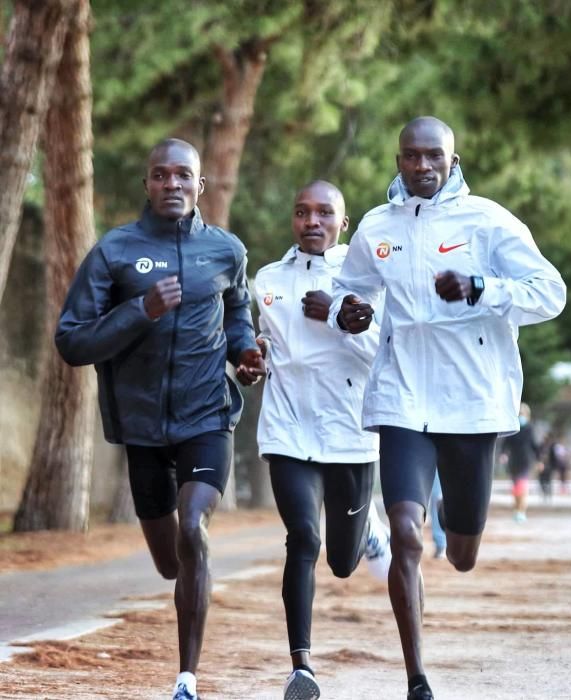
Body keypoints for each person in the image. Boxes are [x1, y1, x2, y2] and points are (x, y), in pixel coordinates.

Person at [328, 116, 566, 700]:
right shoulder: (377, 226)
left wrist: (482, 288)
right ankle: (417, 677)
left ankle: (459, 535)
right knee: (407, 533)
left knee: (460, 553)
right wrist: (349, 311)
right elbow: (349, 289)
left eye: (434, 156)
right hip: (403, 398)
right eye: (411, 156)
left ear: (453, 161)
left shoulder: (487, 221)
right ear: (400, 159)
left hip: (473, 403)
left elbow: (550, 292)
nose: (422, 166)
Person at [55, 138, 266, 700]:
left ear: (201, 186)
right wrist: (139, 309)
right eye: (160, 175)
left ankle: (185, 679)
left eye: (183, 175)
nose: (172, 184)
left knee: (194, 527)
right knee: (172, 563)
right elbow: (72, 342)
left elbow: (237, 316)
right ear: (147, 184)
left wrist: (243, 355)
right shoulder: (115, 252)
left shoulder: (226, 251)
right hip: (142, 426)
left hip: (207, 414)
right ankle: (184, 585)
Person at [248, 180, 391, 700]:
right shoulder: (267, 279)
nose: (312, 221)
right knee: (303, 538)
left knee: (341, 562)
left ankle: (368, 533)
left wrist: (340, 318)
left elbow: (385, 355)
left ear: (343, 224)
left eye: (324, 212)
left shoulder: (367, 283)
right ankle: (301, 669)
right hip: (287, 431)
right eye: (302, 211)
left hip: (350, 436)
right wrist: (251, 358)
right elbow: (261, 344)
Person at [499, 402, 541, 522]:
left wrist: (539, 460)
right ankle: (517, 509)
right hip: (513, 462)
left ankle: (521, 511)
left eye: (522, 413)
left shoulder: (530, 428)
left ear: (527, 415)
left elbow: (534, 445)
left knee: (522, 487)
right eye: (519, 413)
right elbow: (505, 444)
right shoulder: (513, 427)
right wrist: (503, 454)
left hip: (526, 461)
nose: (521, 416)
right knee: (516, 488)